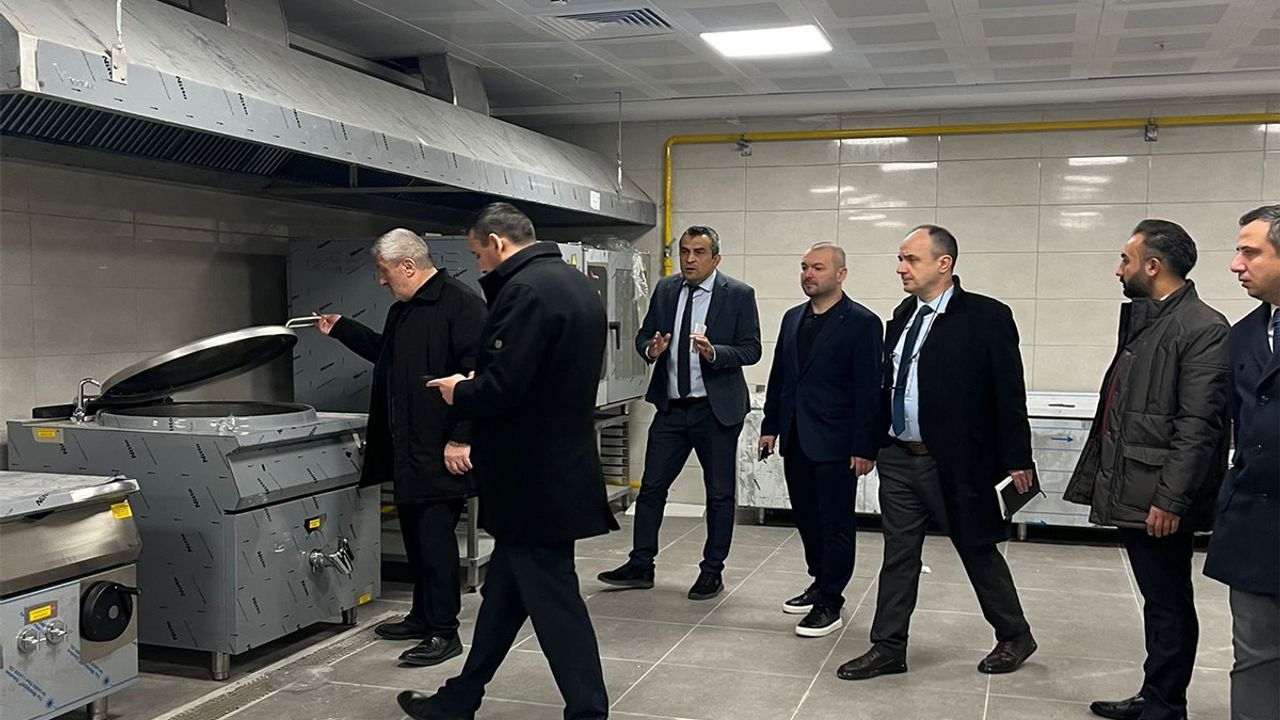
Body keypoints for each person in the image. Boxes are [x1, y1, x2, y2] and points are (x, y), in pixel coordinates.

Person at [397, 202, 616, 720]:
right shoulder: (574, 283)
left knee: (555, 604)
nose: (479, 266)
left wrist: (459, 390)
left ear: (497, 242)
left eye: (478, 255)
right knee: (504, 594)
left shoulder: (524, 291)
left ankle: (589, 711)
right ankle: (460, 698)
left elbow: (503, 386)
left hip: (531, 480)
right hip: (557, 467)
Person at [838, 225, 1038, 681]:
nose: (900, 268)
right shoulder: (903, 315)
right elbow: (888, 385)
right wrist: (867, 444)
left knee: (976, 547)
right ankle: (888, 646)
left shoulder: (986, 316)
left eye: (911, 259)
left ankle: (1015, 635)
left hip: (954, 460)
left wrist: (1017, 458)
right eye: (900, 258)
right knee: (899, 554)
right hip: (898, 456)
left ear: (944, 264)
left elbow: (1009, 393)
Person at [1065, 219, 1230, 720]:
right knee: (1158, 601)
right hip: (1139, 486)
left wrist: (1169, 499)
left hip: (1158, 496)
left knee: (1168, 602)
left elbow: (1198, 426)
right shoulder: (1151, 322)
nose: (1119, 270)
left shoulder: (1202, 328)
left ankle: (1165, 705)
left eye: (1126, 260)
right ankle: (1155, 695)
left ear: (1153, 266)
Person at [316, 228, 485, 667]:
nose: (381, 280)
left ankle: (444, 631)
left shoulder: (461, 305)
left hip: (440, 447)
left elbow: (480, 377)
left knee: (435, 540)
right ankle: (422, 616)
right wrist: (343, 329)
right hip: (408, 446)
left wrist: (461, 437)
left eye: (383, 271)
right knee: (416, 537)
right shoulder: (404, 310)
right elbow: (387, 355)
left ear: (408, 266)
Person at [597, 225, 761, 601]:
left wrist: (715, 353)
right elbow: (644, 336)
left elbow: (752, 349)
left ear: (715, 258)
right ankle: (641, 564)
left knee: (719, 495)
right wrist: (651, 349)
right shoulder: (667, 289)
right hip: (672, 410)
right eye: (685, 251)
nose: (689, 259)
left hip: (715, 411)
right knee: (652, 487)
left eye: (699, 253)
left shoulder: (738, 294)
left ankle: (712, 571)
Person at [758, 242, 883, 638]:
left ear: (840, 274)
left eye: (818, 268)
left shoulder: (862, 323)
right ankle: (819, 580)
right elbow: (781, 377)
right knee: (807, 518)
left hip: (838, 443)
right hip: (797, 438)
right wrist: (770, 426)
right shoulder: (793, 318)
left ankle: (831, 600)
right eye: (804, 267)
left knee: (835, 523)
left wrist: (864, 446)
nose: (808, 274)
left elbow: (870, 390)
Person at [1204, 205, 1280, 720]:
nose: (1236, 264)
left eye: (1250, 252)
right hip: (1255, 521)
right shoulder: (1245, 334)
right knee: (1254, 656)